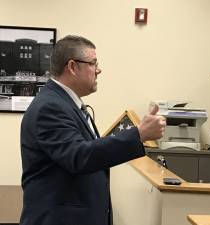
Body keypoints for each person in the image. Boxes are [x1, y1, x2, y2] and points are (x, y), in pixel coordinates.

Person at [20, 35, 166, 225]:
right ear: (72, 67)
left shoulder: (65, 104)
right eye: (93, 63)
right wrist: (139, 134)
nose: (99, 70)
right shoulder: (50, 107)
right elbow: (80, 156)